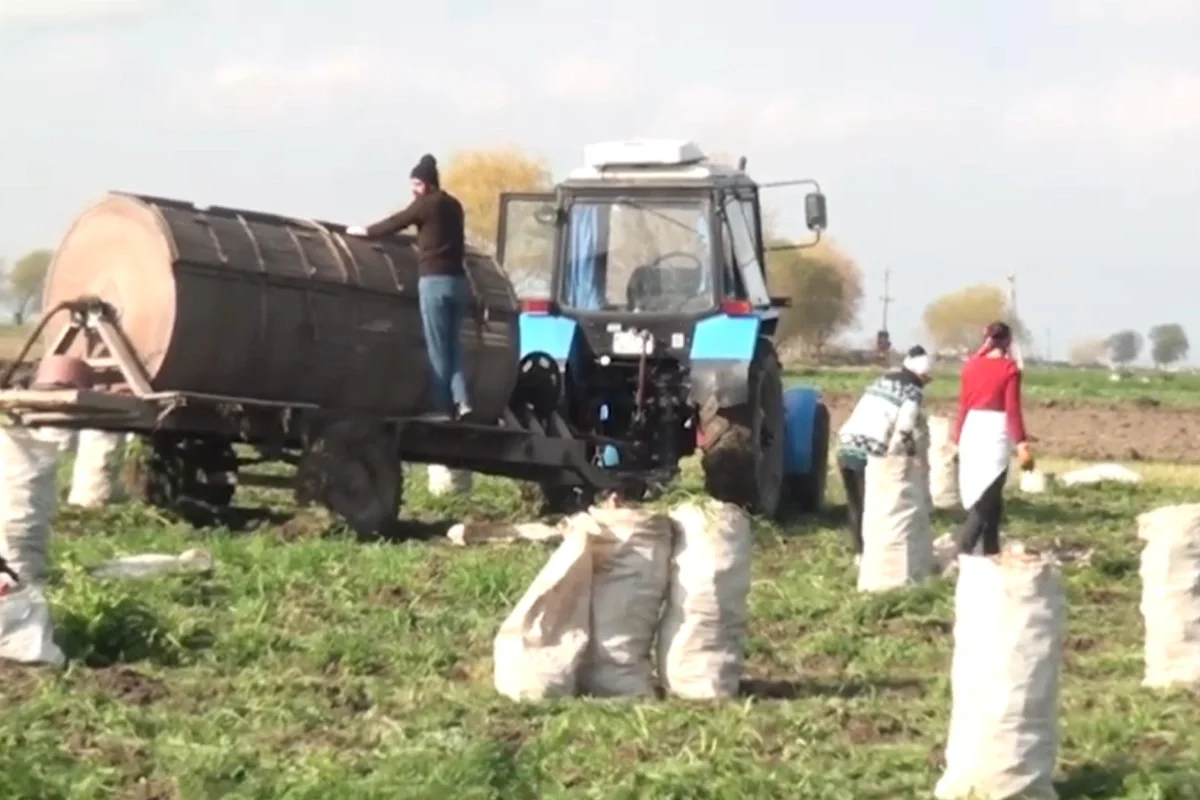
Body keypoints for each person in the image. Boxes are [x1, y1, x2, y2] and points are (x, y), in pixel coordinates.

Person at [346, 154, 472, 420]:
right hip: (459, 282)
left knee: (437, 347)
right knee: (454, 346)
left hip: (434, 283)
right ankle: (463, 402)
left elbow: (396, 222)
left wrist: (365, 232)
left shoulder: (426, 205)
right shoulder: (454, 205)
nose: (413, 190)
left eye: (415, 184)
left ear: (425, 184)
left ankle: (440, 409)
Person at [835, 345, 934, 559]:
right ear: (922, 375)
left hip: (844, 444)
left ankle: (859, 554)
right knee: (872, 506)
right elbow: (905, 429)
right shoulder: (912, 391)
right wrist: (906, 456)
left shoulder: (882, 381)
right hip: (869, 450)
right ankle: (870, 556)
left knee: (855, 504)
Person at [951, 321, 1034, 556]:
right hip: (994, 431)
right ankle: (964, 550)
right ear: (1008, 341)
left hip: (971, 429)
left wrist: (957, 438)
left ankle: (991, 551)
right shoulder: (1009, 369)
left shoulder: (971, 366)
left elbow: (964, 405)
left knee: (992, 498)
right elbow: (1012, 410)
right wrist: (1021, 444)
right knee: (987, 496)